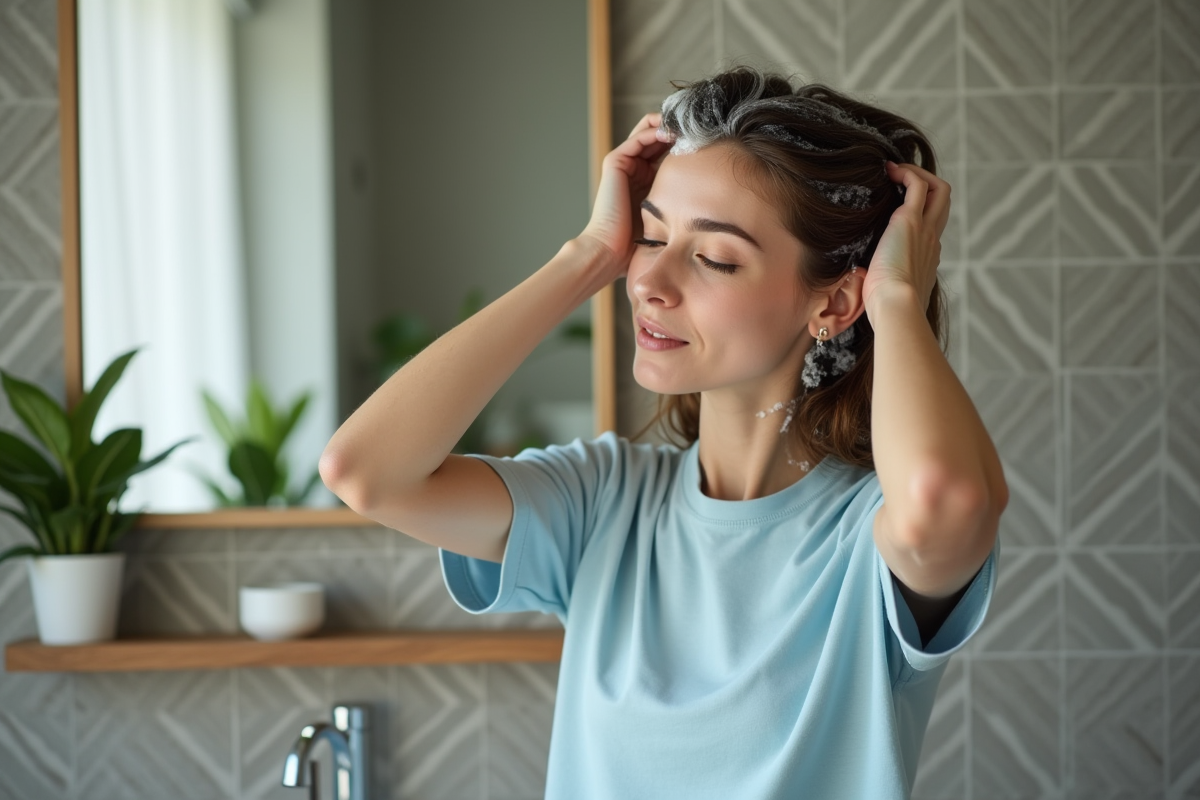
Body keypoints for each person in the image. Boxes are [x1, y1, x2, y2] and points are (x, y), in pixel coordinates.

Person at [320, 66, 1007, 799]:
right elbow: (365, 471)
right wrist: (585, 257)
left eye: (714, 257)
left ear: (835, 303)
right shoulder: (601, 504)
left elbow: (946, 498)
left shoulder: (866, 538)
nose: (650, 280)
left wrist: (896, 297)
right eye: (650, 236)